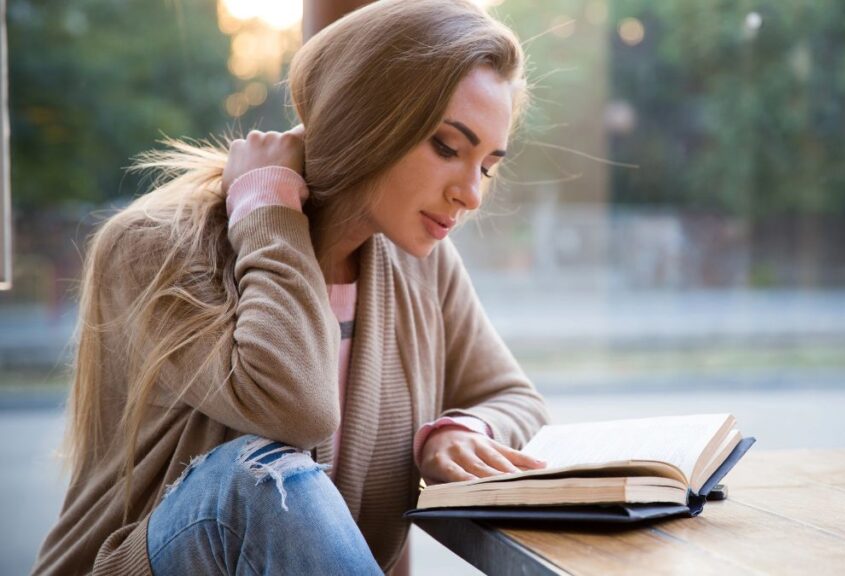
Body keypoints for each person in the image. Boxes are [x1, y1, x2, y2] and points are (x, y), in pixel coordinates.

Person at [31, 0, 550, 573]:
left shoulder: (423, 266)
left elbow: (513, 396)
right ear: (369, 119)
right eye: (448, 148)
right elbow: (297, 410)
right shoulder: (154, 249)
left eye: (486, 166)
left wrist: (457, 431)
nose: (471, 194)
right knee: (258, 478)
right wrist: (269, 212)